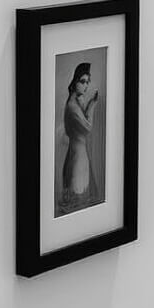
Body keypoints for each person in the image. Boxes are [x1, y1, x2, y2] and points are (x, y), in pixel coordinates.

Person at [60, 62, 100, 213]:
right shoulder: (72, 107)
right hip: (77, 160)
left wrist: (87, 103)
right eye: (82, 82)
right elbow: (88, 128)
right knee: (78, 201)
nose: (86, 86)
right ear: (75, 81)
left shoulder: (76, 102)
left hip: (79, 156)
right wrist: (92, 105)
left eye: (87, 82)